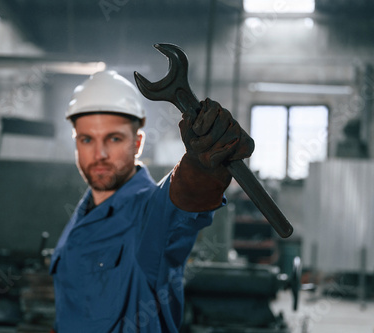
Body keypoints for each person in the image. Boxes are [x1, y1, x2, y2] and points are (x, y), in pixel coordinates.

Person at [49, 70, 254, 332]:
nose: (99, 154)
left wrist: (202, 168)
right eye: (87, 139)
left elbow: (177, 205)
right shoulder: (85, 211)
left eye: (114, 138)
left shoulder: (148, 211)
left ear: (137, 143)